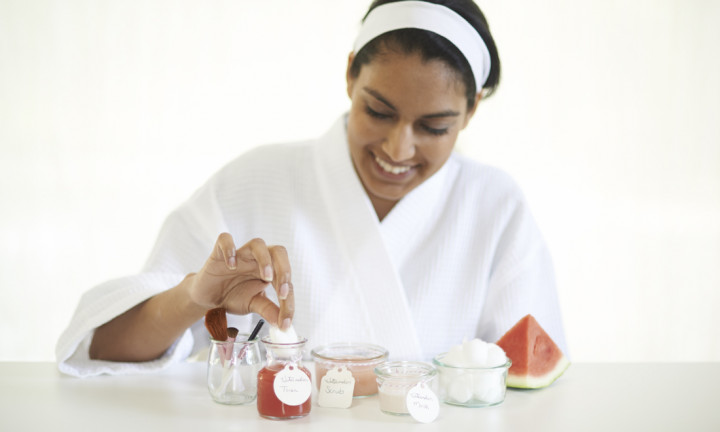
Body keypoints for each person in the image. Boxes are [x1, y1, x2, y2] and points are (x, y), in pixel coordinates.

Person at [56, 0, 567, 377]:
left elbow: (533, 390)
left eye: (434, 127)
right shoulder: (253, 180)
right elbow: (101, 350)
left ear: (472, 109)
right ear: (349, 76)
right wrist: (193, 296)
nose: (398, 148)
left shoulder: (496, 206)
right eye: (378, 111)